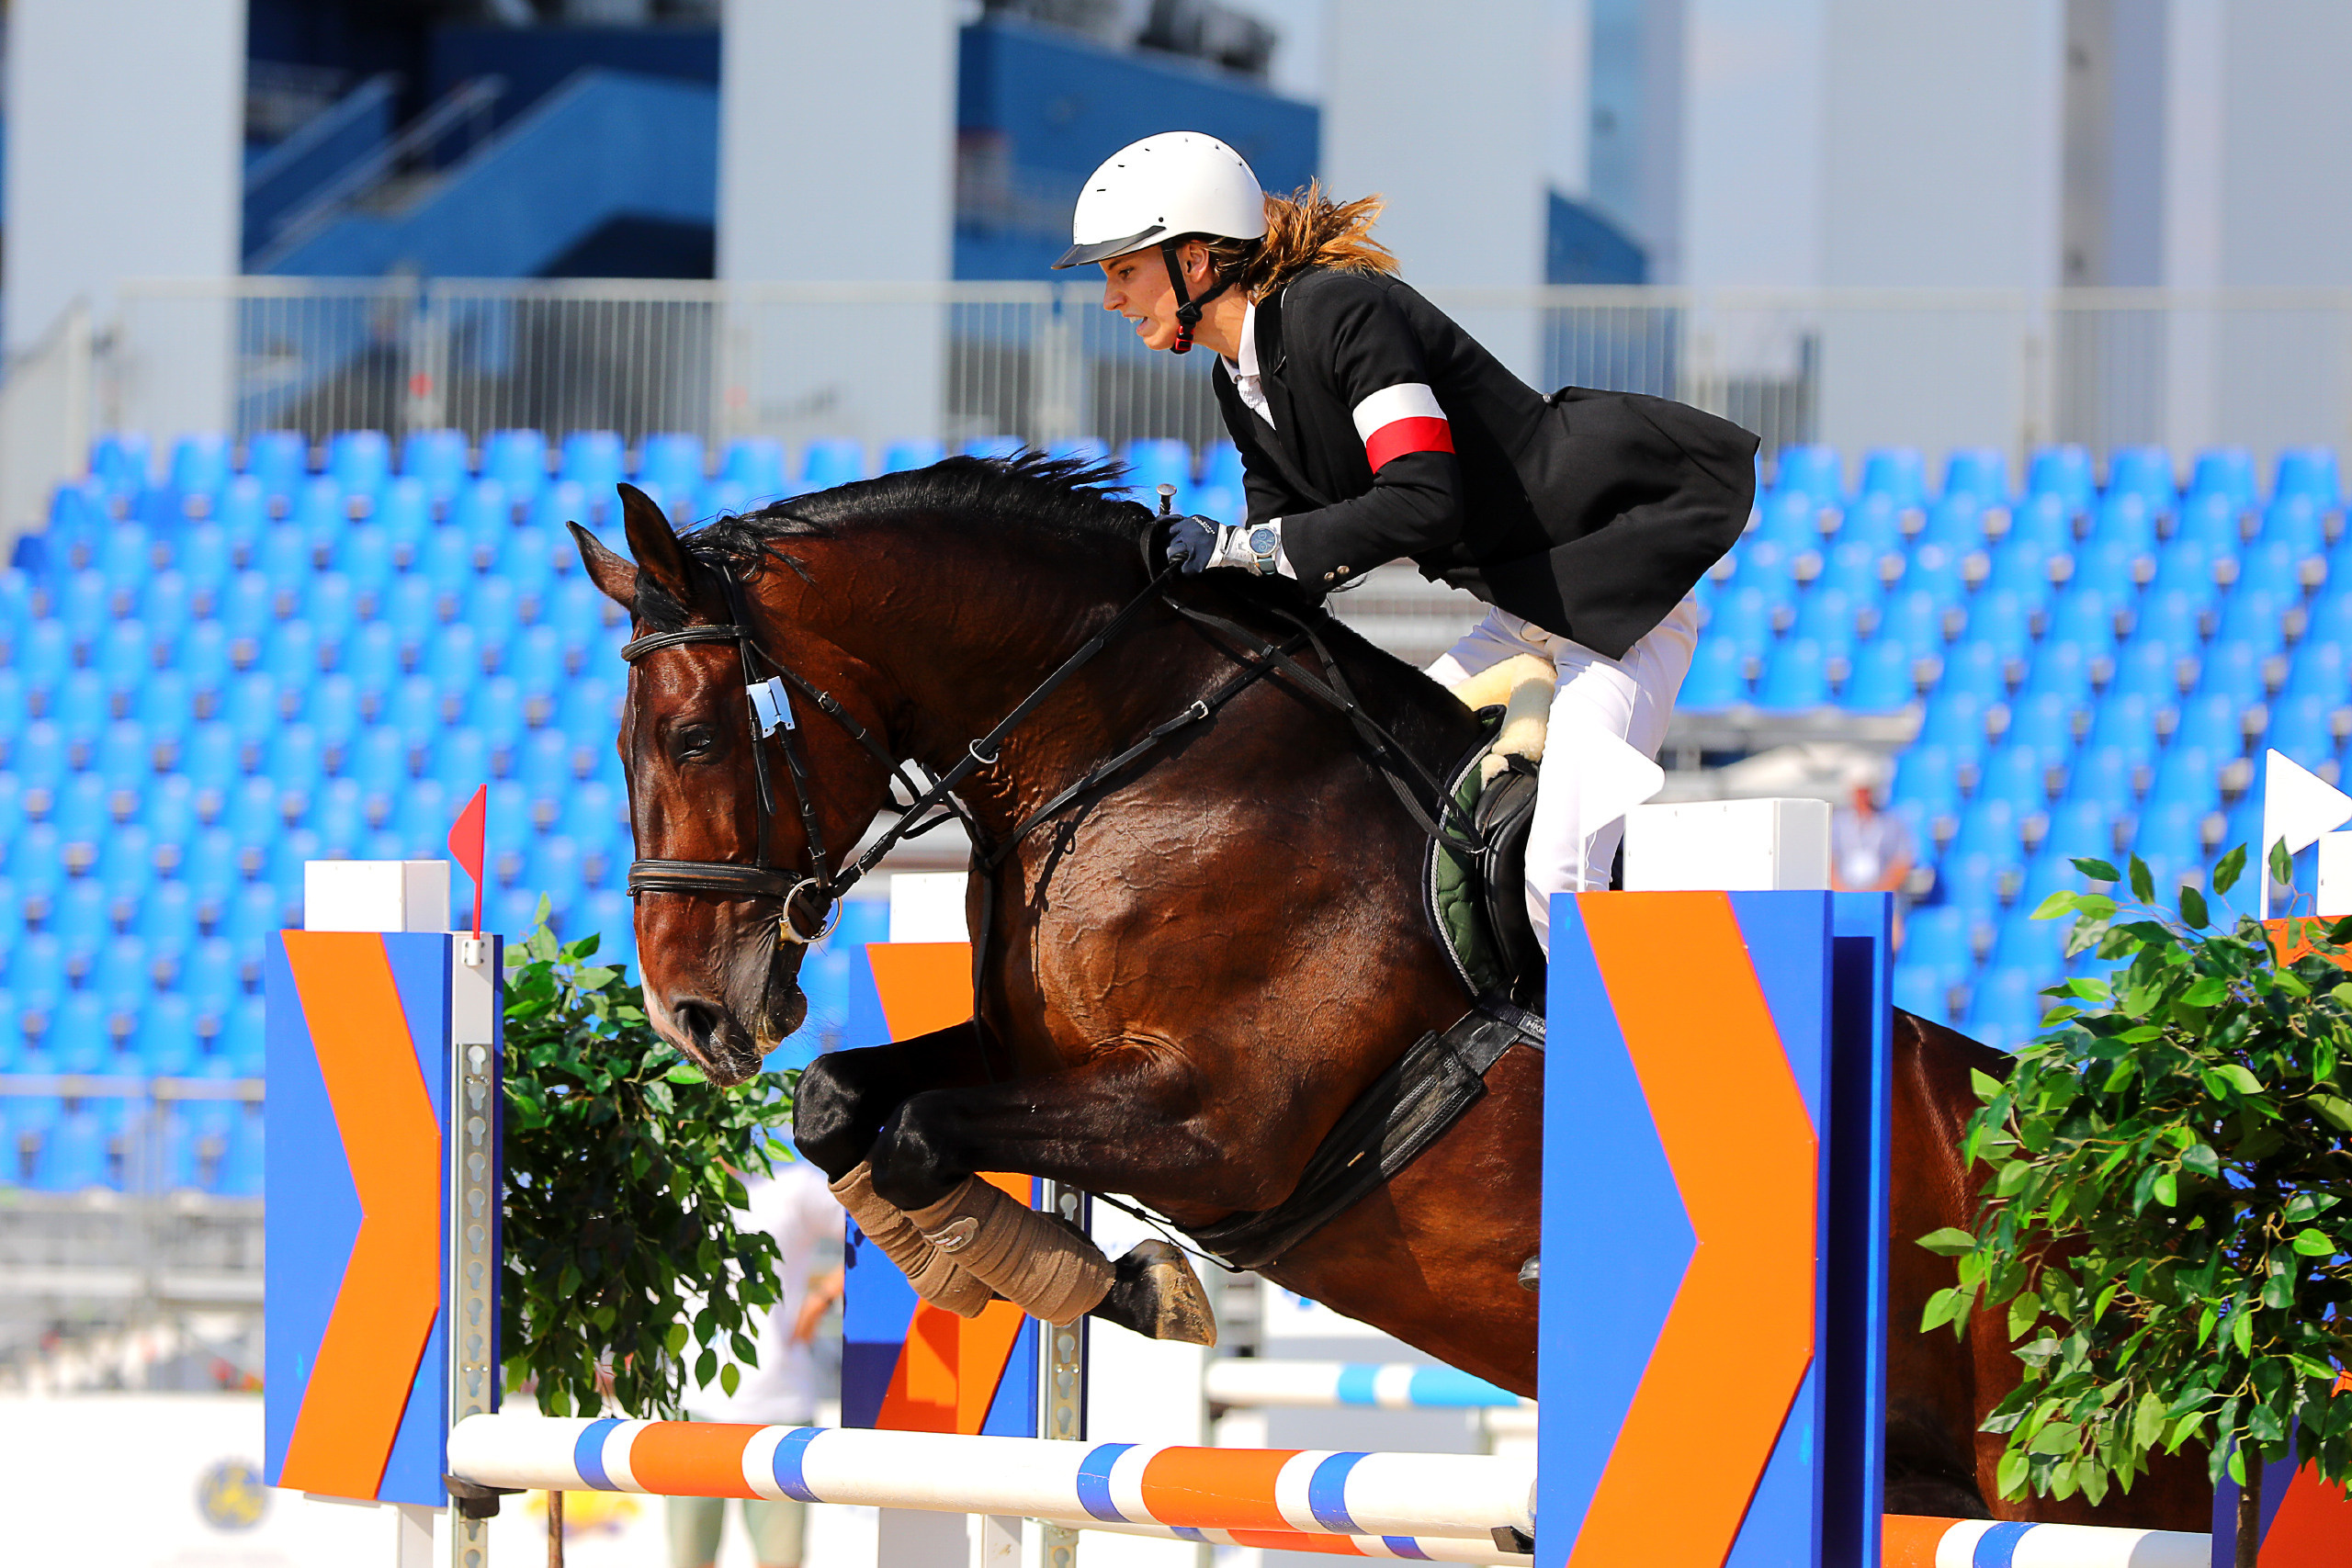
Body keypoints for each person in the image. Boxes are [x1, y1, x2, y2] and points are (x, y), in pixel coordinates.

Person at [1056, 133, 1758, 954]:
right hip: (1518, 613)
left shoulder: (1339, 312)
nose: (1111, 298)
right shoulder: (1238, 381)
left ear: (1197, 262)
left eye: (1123, 271)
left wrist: (1237, 549)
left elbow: (1422, 499)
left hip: (1610, 602)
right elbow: (1285, 572)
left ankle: (1604, 1073)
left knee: (1553, 882)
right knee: (1387, 795)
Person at [667, 1155, 843, 1568]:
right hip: (694, 1407)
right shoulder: (671, 1187)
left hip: (781, 1408)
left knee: (781, 1561)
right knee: (687, 1559)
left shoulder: (794, 1183)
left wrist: (822, 1299)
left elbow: (874, 1229)